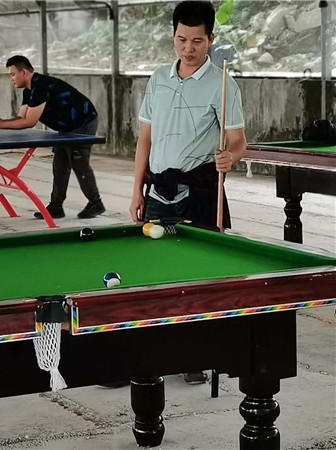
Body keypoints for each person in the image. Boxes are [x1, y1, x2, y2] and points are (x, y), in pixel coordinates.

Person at [128, 1, 247, 383]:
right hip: (158, 190)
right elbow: (145, 139)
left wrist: (231, 157)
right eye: (181, 39)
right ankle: (147, 352)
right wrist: (136, 190)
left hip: (200, 190)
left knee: (199, 277)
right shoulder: (158, 79)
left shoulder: (223, 84)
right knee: (153, 273)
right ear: (173, 36)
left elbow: (237, 140)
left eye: (197, 41)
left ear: (210, 39)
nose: (188, 48)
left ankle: (195, 354)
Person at [0, 55, 105, 219]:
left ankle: (96, 203)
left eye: (13, 74)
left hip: (83, 121)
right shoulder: (28, 91)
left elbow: (29, 121)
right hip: (66, 127)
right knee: (60, 164)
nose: (11, 78)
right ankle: (56, 206)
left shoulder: (40, 86)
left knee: (78, 162)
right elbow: (21, 117)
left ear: (24, 72)